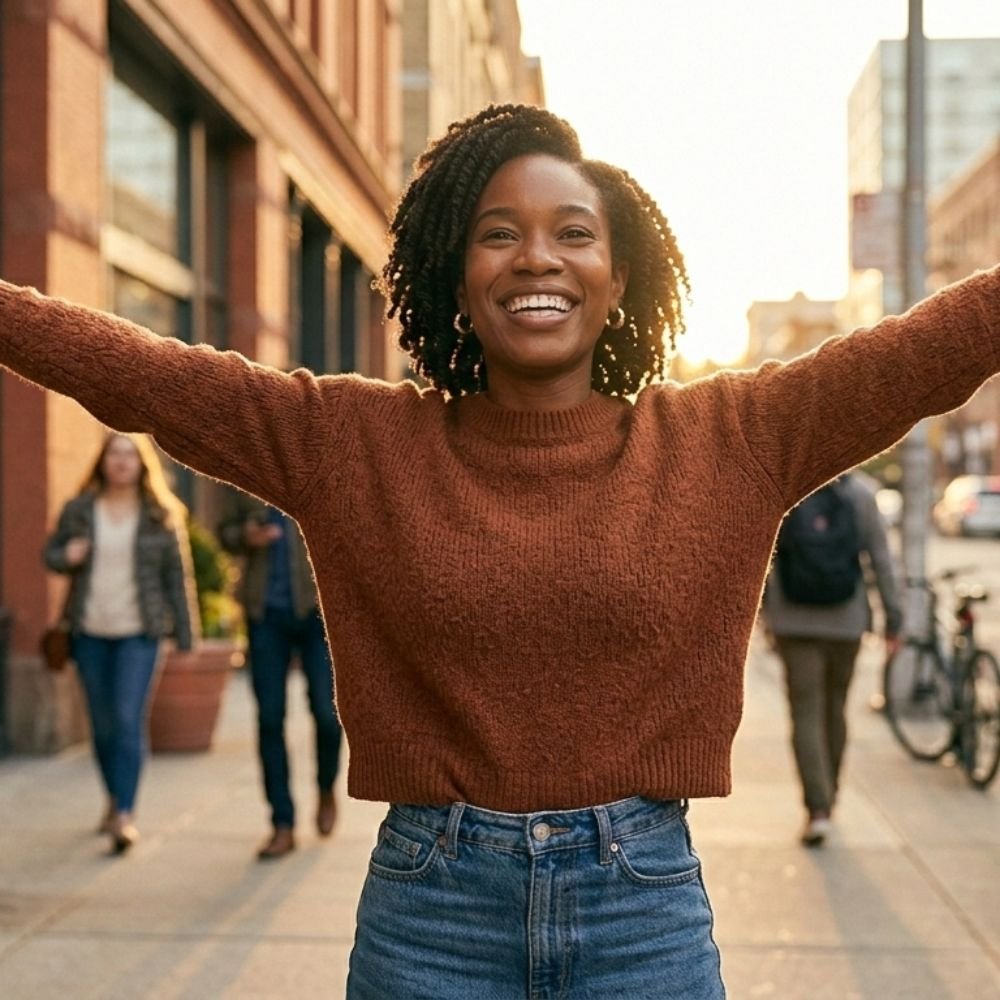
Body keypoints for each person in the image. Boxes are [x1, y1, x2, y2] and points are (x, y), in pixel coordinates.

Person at [2, 103, 999, 997]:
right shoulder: (350, 442)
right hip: (427, 910)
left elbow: (926, 353)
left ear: (619, 278)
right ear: (454, 273)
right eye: (497, 235)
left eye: (573, 234)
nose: (536, 258)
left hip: (642, 910)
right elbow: (138, 375)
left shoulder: (728, 437)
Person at [42, 433, 198, 854]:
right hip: (89, 633)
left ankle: (125, 814)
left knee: (128, 720)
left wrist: (187, 636)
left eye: (130, 454)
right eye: (115, 453)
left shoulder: (159, 516)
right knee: (103, 725)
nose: (122, 461)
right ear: (103, 462)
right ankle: (112, 797)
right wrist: (68, 555)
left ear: (142, 463)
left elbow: (177, 579)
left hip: (139, 635)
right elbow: (50, 555)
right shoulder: (80, 510)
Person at [761, 472, 902, 847]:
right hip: (847, 620)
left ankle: (817, 808)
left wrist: (764, 618)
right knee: (835, 709)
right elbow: (882, 558)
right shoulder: (861, 493)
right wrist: (894, 616)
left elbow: (762, 558)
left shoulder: (789, 484)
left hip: (794, 620)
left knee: (805, 713)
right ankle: (830, 796)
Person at [217, 491, 343, 859]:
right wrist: (245, 535)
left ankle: (325, 788)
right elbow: (224, 532)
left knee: (327, 713)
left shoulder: (315, 457)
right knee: (270, 718)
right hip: (265, 614)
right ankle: (282, 823)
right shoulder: (245, 467)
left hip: (319, 612)